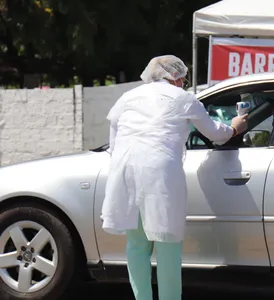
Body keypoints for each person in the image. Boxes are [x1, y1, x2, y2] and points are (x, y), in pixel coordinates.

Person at [100, 55, 248, 300]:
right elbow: (214, 133)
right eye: (183, 77)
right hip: (160, 173)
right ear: (174, 77)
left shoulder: (128, 97)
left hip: (124, 171)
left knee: (136, 246)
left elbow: (114, 142)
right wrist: (235, 127)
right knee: (167, 244)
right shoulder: (183, 99)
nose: (183, 82)